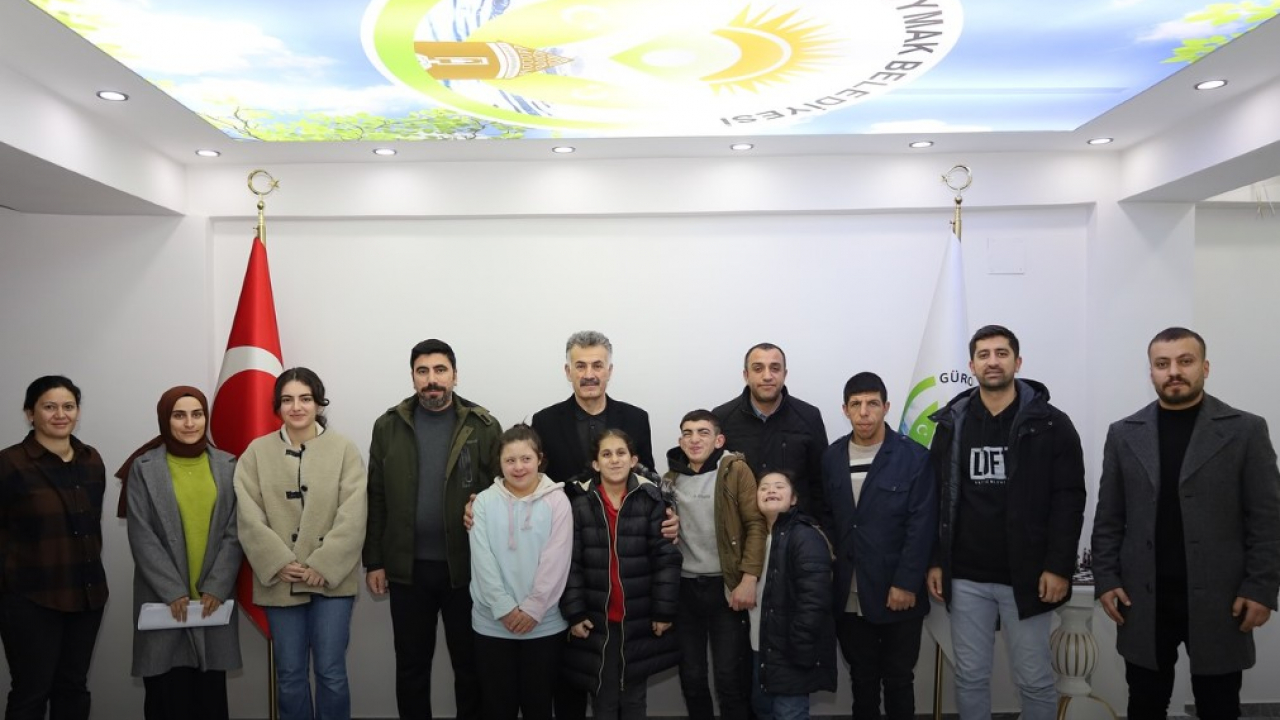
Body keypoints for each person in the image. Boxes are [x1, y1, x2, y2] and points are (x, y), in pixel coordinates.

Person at [1092, 327, 1280, 720]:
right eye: (1162, 364)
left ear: (1205, 367)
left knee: (1219, 706)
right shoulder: (1124, 434)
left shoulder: (1245, 430)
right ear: (1151, 372)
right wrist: (1106, 579)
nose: (1174, 371)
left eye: (1185, 361)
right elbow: (1109, 517)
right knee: (1145, 704)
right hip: (1143, 600)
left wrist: (1261, 588)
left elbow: (1267, 519)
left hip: (1222, 599)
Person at [925, 325, 1086, 720]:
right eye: (983, 355)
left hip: (1027, 577)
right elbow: (935, 496)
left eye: (1001, 353)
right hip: (966, 576)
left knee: (1034, 679)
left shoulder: (1051, 424)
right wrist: (936, 560)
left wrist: (1058, 566)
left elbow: (1069, 499)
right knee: (970, 677)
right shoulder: (952, 424)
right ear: (971, 366)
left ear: (1018, 361)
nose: (992, 361)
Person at [364, 338, 501, 720]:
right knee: (411, 667)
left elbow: (503, 492)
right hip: (408, 570)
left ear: (455, 375)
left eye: (440, 370)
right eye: (422, 371)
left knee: (470, 667)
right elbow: (376, 496)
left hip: (467, 568)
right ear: (412, 378)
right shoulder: (388, 426)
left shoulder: (483, 425)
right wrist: (374, 561)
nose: (432, 379)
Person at [234, 367, 368, 720]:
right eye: (288, 400)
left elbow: (354, 514)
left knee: (331, 672)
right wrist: (278, 562)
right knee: (290, 675)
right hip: (281, 580)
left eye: (305, 398)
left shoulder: (343, 449)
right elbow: (248, 515)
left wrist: (323, 564)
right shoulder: (257, 452)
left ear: (319, 403)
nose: (296, 407)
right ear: (277, 406)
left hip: (332, 583)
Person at [119, 386, 242, 720]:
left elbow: (235, 532)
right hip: (163, 600)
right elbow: (141, 535)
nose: (190, 423)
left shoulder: (228, 465)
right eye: (179, 415)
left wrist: (217, 584)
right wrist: (172, 590)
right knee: (166, 698)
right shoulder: (143, 467)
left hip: (211, 601)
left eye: (197, 414)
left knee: (210, 700)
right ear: (165, 419)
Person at [820, 372, 936, 720]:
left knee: (898, 679)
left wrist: (906, 583)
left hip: (896, 591)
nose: (864, 412)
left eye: (872, 403)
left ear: (886, 407)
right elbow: (828, 518)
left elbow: (922, 525)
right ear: (845, 409)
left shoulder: (914, 457)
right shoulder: (831, 457)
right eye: (856, 404)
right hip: (848, 592)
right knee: (862, 678)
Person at [0, 376, 108, 720]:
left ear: (77, 412)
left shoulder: (91, 460)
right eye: (49, 407)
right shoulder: (9, 463)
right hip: (30, 599)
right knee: (31, 692)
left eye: (68, 406)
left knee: (73, 688)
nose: (60, 415)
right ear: (30, 414)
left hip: (86, 597)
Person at [560, 429, 682, 720]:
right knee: (603, 699)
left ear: (633, 460)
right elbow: (569, 563)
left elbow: (666, 559)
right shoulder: (579, 504)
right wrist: (575, 613)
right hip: (597, 620)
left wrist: (663, 611)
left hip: (639, 619)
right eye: (606, 454)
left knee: (634, 699)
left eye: (620, 453)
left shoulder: (651, 500)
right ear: (596, 464)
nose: (614, 460)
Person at [660, 409, 764, 720]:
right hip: (685, 589)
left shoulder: (735, 470)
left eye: (703, 432)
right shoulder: (670, 479)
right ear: (680, 441)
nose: (695, 439)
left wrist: (749, 578)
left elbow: (756, 524)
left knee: (730, 677)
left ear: (719, 440)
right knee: (692, 677)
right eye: (688, 433)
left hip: (726, 587)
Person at [469, 424, 572, 720]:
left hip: (543, 624)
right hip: (491, 623)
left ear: (540, 459)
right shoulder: (484, 502)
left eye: (526, 459)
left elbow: (556, 561)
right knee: (497, 707)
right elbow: (482, 560)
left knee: (538, 705)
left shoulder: (558, 501)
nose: (518, 467)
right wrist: (503, 607)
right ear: (499, 463)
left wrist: (533, 608)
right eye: (510, 460)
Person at [751, 470, 837, 720]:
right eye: (764, 487)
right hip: (760, 647)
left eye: (779, 486)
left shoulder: (804, 535)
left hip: (791, 649)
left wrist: (799, 644)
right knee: (764, 711)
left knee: (789, 713)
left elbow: (815, 598)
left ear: (794, 499)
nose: (771, 491)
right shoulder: (756, 539)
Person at [714, 342, 828, 518]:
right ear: (746, 375)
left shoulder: (808, 416)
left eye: (775, 368)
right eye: (758, 369)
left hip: (797, 526)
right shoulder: (722, 418)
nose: (767, 376)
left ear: (785, 374)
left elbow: (821, 482)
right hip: (741, 528)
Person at [532, 330, 655, 480]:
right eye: (581, 366)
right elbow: (536, 480)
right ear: (568, 372)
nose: (589, 375)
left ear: (609, 371)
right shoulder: (544, 422)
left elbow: (648, 480)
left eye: (597, 366)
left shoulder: (636, 419)